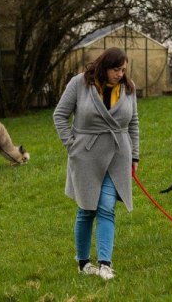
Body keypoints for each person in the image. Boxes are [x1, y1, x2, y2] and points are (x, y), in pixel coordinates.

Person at [53, 47, 140, 280]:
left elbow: (133, 124)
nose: (120, 74)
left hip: (118, 157)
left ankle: (105, 264)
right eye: (116, 69)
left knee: (106, 207)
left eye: (123, 69)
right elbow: (59, 115)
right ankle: (83, 263)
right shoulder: (79, 84)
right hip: (86, 157)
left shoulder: (128, 88)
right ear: (104, 66)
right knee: (87, 209)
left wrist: (135, 156)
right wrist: (72, 145)